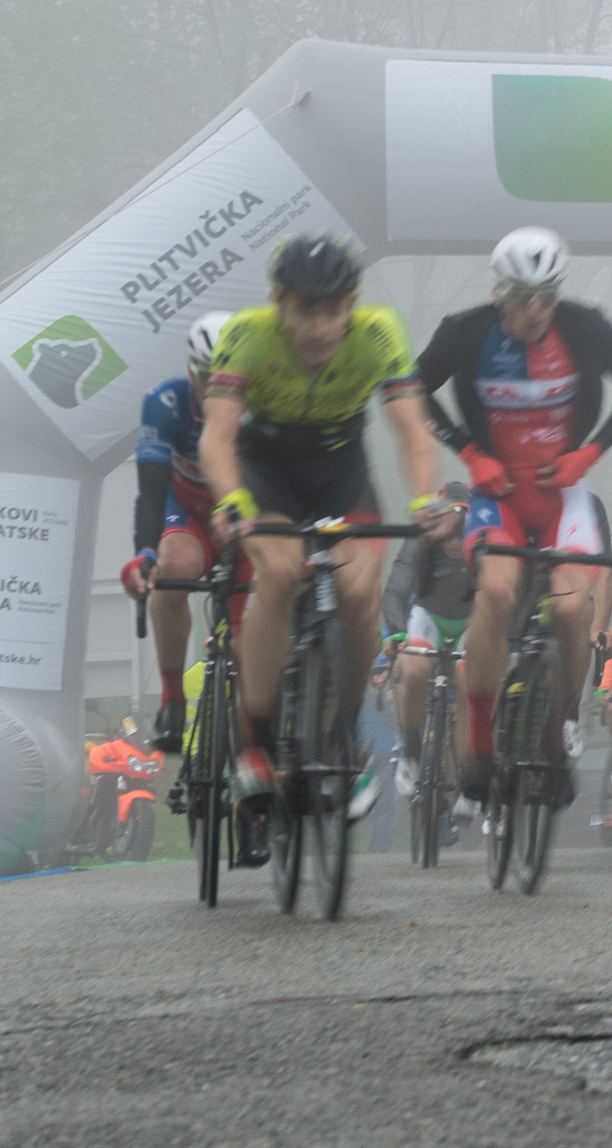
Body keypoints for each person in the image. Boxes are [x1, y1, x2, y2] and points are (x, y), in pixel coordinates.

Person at [200, 233, 438, 817]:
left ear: (352, 304)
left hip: (340, 469)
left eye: (334, 311)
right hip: (268, 470)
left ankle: (340, 738)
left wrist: (425, 501)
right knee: (279, 577)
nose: (321, 329)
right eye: (307, 311)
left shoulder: (379, 329)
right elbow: (217, 438)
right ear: (279, 302)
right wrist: (232, 501)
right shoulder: (247, 334)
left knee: (360, 593)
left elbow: (412, 431)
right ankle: (254, 746)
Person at [417, 227, 612, 810]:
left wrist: (587, 453)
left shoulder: (584, 327)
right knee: (495, 594)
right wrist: (469, 453)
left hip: (563, 494)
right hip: (496, 493)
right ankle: (477, 742)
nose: (535, 310)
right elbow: (408, 391)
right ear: (499, 290)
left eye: (546, 295)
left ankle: (557, 731)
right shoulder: (465, 333)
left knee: (573, 608)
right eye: (522, 296)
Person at [118, 310, 232, 752]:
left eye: (225, 377)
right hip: (184, 511)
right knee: (172, 570)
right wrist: (145, 555)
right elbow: (150, 491)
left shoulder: (260, 402)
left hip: (237, 513)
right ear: (190, 369)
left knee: (244, 637)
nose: (215, 388)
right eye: (205, 376)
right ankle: (171, 700)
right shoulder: (163, 403)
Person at [378, 477, 476, 815]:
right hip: (428, 616)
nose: (455, 538)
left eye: (462, 525)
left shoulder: (483, 541)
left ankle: (465, 778)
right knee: (414, 668)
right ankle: (411, 749)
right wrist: (396, 633)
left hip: (468, 621)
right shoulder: (422, 539)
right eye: (448, 525)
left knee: (468, 683)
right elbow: (396, 590)